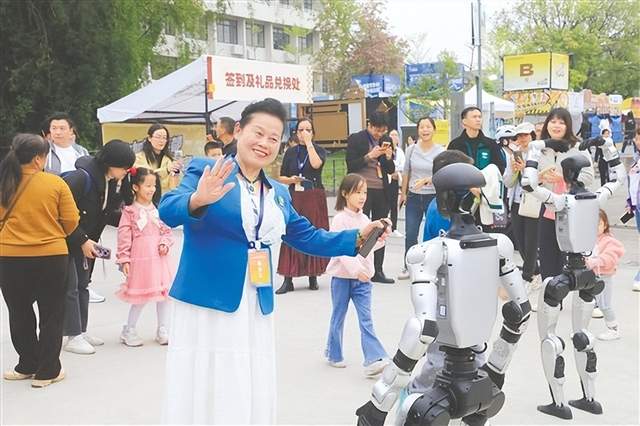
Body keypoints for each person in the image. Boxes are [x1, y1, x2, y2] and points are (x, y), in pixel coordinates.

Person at [158, 98, 390, 424]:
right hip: (209, 303)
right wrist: (198, 199)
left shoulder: (278, 193)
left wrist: (358, 238)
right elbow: (168, 210)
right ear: (239, 131)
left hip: (255, 301)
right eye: (258, 133)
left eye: (273, 138)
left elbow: (309, 237)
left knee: (246, 379)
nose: (264, 143)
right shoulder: (206, 170)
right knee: (211, 379)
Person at [0, 134, 79, 387]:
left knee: (19, 313)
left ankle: (27, 364)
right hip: (51, 257)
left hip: (9, 258)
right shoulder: (55, 183)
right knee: (51, 314)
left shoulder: (4, 182)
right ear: (37, 159)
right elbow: (71, 221)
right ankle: (47, 371)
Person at [62, 140, 136, 355]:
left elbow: (106, 213)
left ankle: (81, 331)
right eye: (124, 167)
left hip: (88, 242)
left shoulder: (109, 181)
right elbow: (60, 213)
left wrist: (132, 221)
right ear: (110, 163)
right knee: (71, 288)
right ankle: (73, 335)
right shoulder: (81, 178)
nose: (125, 172)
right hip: (69, 241)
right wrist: (82, 240)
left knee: (83, 285)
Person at [324, 173, 389, 376]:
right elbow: (340, 249)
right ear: (345, 194)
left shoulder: (366, 219)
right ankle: (333, 354)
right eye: (357, 192)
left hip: (363, 280)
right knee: (338, 316)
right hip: (342, 278)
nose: (362, 197)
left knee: (366, 319)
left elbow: (365, 250)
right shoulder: (339, 220)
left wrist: (380, 238)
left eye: (365, 192)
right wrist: (356, 270)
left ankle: (374, 359)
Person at [42, 113, 105, 304]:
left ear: (72, 131)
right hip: (55, 203)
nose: (57, 132)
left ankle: (85, 283)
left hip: (83, 204)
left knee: (87, 244)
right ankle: (63, 287)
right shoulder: (45, 152)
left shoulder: (82, 152)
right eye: (54, 128)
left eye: (62, 128)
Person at [116, 167, 174, 347]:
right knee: (140, 297)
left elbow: (167, 230)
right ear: (135, 187)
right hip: (140, 260)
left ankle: (162, 328)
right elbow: (124, 237)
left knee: (163, 295)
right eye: (147, 185)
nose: (152, 189)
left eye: (154, 185)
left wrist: (164, 242)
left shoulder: (158, 209)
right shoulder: (129, 211)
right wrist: (124, 259)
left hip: (159, 259)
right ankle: (129, 329)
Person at [536, 108, 594, 287]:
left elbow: (588, 177)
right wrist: (540, 178)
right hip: (546, 207)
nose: (557, 125)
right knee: (546, 254)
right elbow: (530, 178)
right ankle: (549, 291)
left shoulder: (577, 148)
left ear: (568, 126)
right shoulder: (540, 149)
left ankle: (565, 290)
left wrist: (563, 178)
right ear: (547, 124)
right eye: (553, 121)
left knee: (566, 256)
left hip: (570, 209)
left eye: (561, 122)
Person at [275, 117, 329, 293]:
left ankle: (313, 275)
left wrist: (309, 143)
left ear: (313, 133)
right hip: (295, 196)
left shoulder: (319, 150)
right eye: (301, 130)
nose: (304, 133)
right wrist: (292, 180)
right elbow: (281, 176)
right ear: (296, 133)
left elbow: (316, 164)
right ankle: (288, 278)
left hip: (313, 195)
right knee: (292, 232)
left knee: (312, 232)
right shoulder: (291, 152)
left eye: (308, 130)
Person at [346, 111, 395, 284]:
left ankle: (377, 270)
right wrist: (370, 156)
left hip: (381, 189)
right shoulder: (357, 139)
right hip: (361, 191)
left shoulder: (386, 140)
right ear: (369, 125)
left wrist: (388, 157)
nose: (379, 134)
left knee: (380, 229)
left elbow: (390, 170)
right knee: (363, 229)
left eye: (382, 130)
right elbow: (350, 165)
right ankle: (360, 268)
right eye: (376, 130)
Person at [397, 117, 445, 280]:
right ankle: (408, 266)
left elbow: (442, 174)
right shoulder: (411, 149)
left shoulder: (440, 151)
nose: (425, 130)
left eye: (428, 127)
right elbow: (406, 172)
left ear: (434, 130)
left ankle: (433, 266)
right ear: (418, 130)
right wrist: (403, 193)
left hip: (433, 197)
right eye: (422, 127)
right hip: (414, 197)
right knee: (411, 233)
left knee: (434, 234)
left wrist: (428, 180)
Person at [506, 122, 542, 309]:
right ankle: (536, 271)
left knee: (531, 241)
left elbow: (540, 178)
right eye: (519, 136)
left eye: (526, 135)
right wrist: (514, 170)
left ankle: (527, 277)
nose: (522, 139)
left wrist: (525, 168)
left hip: (534, 202)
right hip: (517, 202)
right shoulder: (513, 155)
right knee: (520, 241)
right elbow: (508, 182)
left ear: (532, 136)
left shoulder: (540, 154)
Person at [586, 210, 625, 340]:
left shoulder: (609, 241)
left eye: (599, 224)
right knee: (585, 304)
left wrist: (595, 262)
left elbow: (610, 258)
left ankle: (613, 329)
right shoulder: (587, 239)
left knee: (604, 305)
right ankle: (581, 330)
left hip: (603, 277)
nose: (596, 227)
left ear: (605, 224)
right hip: (589, 277)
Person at [448, 106, 506, 174]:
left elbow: (500, 167)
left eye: (480, 117)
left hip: (485, 180)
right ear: (464, 121)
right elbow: (449, 168)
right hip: (463, 179)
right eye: (474, 117)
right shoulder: (455, 145)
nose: (478, 120)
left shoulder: (490, 144)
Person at [134, 123, 180, 194]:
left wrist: (176, 173)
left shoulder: (169, 160)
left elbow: (173, 186)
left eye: (164, 138)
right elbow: (146, 174)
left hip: (163, 196)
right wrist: (166, 170)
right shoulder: (139, 157)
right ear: (149, 138)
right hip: (144, 196)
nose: (161, 141)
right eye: (158, 137)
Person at [627, 128, 640, 291]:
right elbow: (633, 183)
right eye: (637, 139)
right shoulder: (636, 159)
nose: (638, 141)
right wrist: (630, 201)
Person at [387, 130, 405, 238]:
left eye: (396, 135)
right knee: (385, 205)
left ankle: (394, 228)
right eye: (392, 135)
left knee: (394, 205)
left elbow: (402, 165)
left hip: (395, 179)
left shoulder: (400, 151)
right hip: (386, 179)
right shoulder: (385, 150)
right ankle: (383, 228)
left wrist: (396, 170)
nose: (394, 137)